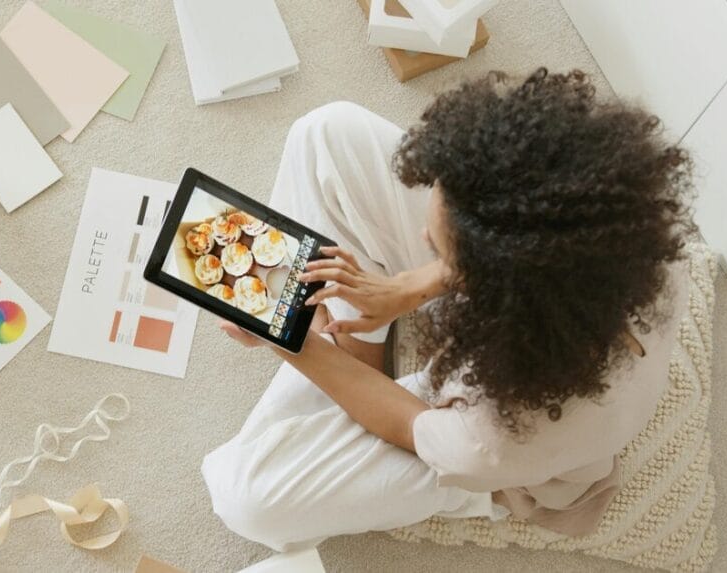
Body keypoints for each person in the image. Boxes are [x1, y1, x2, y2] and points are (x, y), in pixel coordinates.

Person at [201, 68, 695, 553]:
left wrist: (296, 344)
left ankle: (346, 354)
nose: (421, 239)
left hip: (481, 436)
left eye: (437, 249)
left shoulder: (502, 438)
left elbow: (405, 424)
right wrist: (408, 288)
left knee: (244, 497)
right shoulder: (629, 240)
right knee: (325, 134)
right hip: (518, 310)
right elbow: (513, 251)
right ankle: (355, 349)